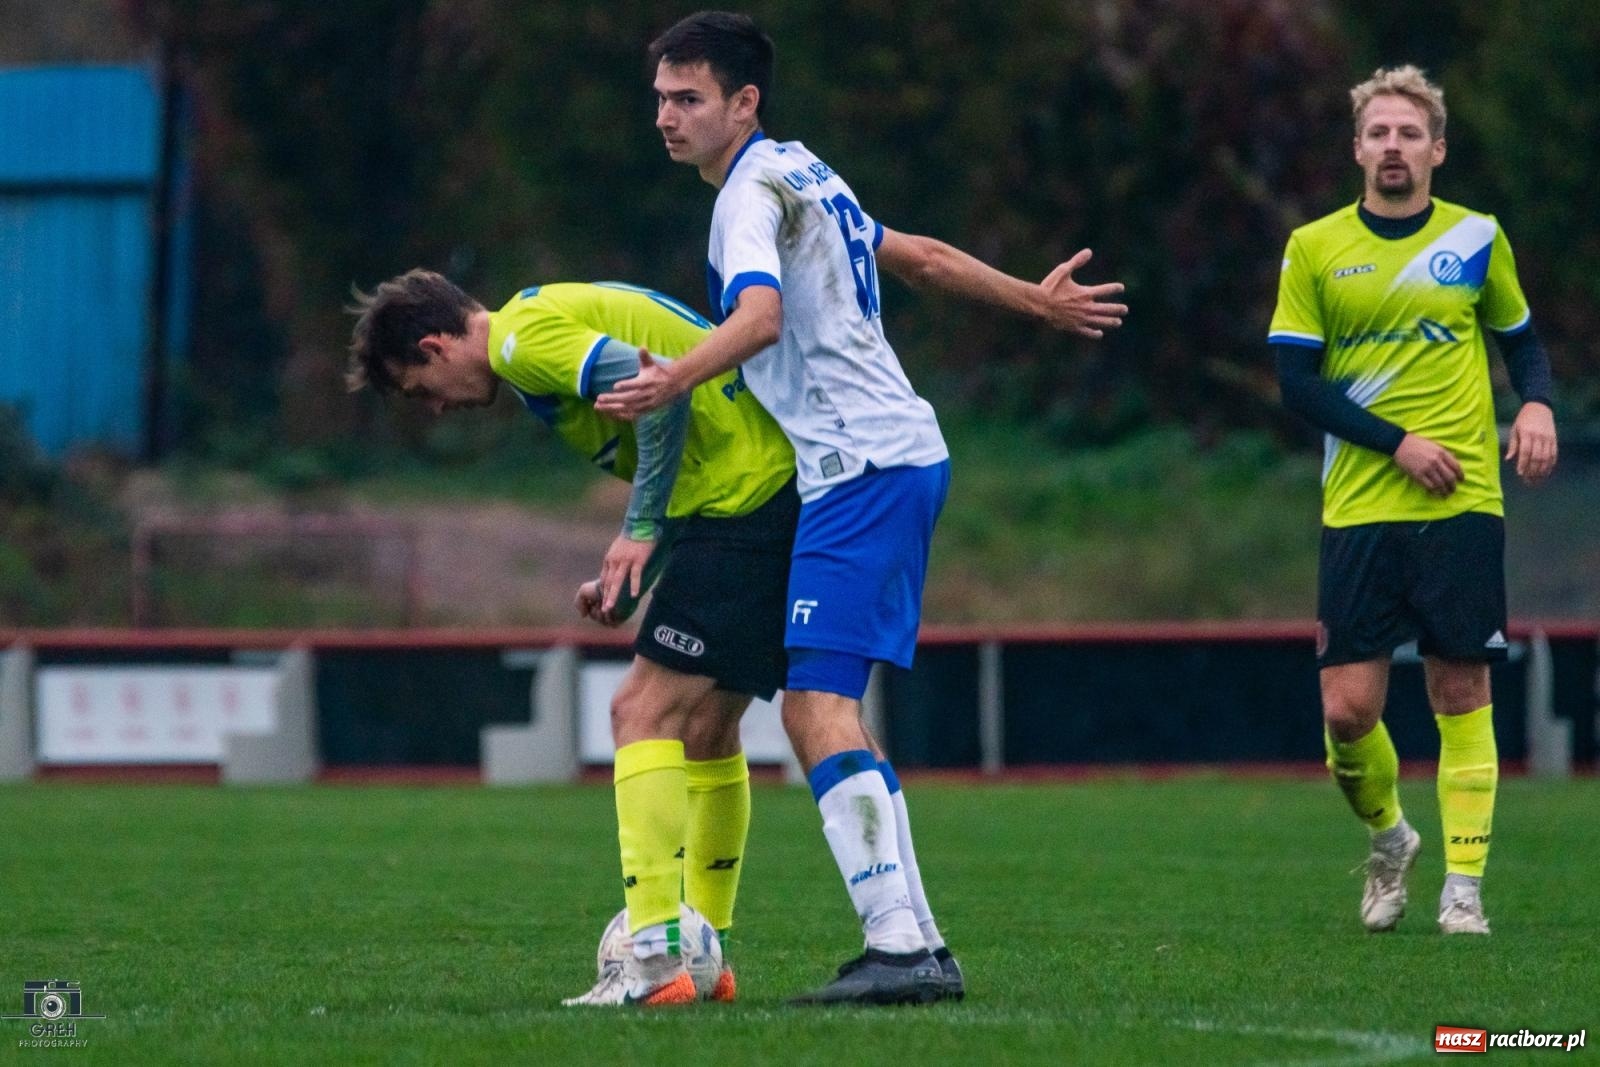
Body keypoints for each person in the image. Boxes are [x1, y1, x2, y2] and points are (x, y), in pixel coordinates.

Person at [597, 11, 1127, 1003]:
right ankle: (915, 944)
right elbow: (914, 253)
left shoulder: (750, 192)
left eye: (689, 98)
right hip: (886, 460)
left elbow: (757, 318)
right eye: (660, 98)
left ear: (743, 102)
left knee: (814, 708)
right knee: (817, 703)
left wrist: (674, 380)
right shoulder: (804, 168)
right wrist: (1036, 302)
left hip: (862, 467)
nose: (665, 117)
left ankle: (899, 945)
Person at [348, 272, 800, 1006]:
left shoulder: (523, 340)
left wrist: (640, 527)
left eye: (419, 388)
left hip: (745, 498)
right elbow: (681, 423)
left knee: (637, 713)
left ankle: (655, 959)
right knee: (712, 730)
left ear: (435, 344)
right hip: (765, 490)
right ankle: (705, 954)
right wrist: (639, 564)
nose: (434, 406)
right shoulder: (537, 328)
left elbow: (665, 389)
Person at [1268, 66, 1557, 936]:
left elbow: (1524, 345)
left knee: (1460, 688)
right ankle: (1390, 838)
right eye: (1378, 134)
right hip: (1359, 504)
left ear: (1436, 149)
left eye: (1409, 134)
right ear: (1357, 148)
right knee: (1347, 711)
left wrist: (1537, 402)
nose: (1393, 147)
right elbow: (1295, 383)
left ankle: (1463, 886)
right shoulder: (1314, 247)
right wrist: (1397, 443)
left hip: (1463, 501)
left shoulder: (1477, 238)